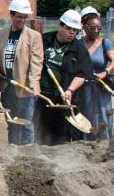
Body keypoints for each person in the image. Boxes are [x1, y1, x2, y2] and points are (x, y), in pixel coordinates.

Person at [36, 10, 92, 146]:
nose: (72, 32)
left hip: (62, 100)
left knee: (61, 137)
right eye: (68, 28)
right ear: (60, 26)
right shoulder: (44, 40)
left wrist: (70, 90)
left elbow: (82, 74)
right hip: (42, 97)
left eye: (75, 30)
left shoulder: (79, 49)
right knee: (40, 133)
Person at [0, 0, 43, 145]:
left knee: (26, 123)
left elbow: (36, 61)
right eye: (19, 17)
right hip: (7, 87)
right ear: (11, 15)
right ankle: (13, 150)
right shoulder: (0, 33)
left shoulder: (33, 36)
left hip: (25, 87)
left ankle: (28, 152)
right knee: (12, 123)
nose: (22, 20)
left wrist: (34, 82)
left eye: (24, 17)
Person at [80, 6, 114, 140]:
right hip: (84, 88)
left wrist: (105, 72)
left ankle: (105, 145)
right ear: (84, 26)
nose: (96, 31)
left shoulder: (105, 43)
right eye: (92, 28)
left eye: (99, 28)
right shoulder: (79, 44)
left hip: (101, 87)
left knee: (103, 116)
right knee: (87, 117)